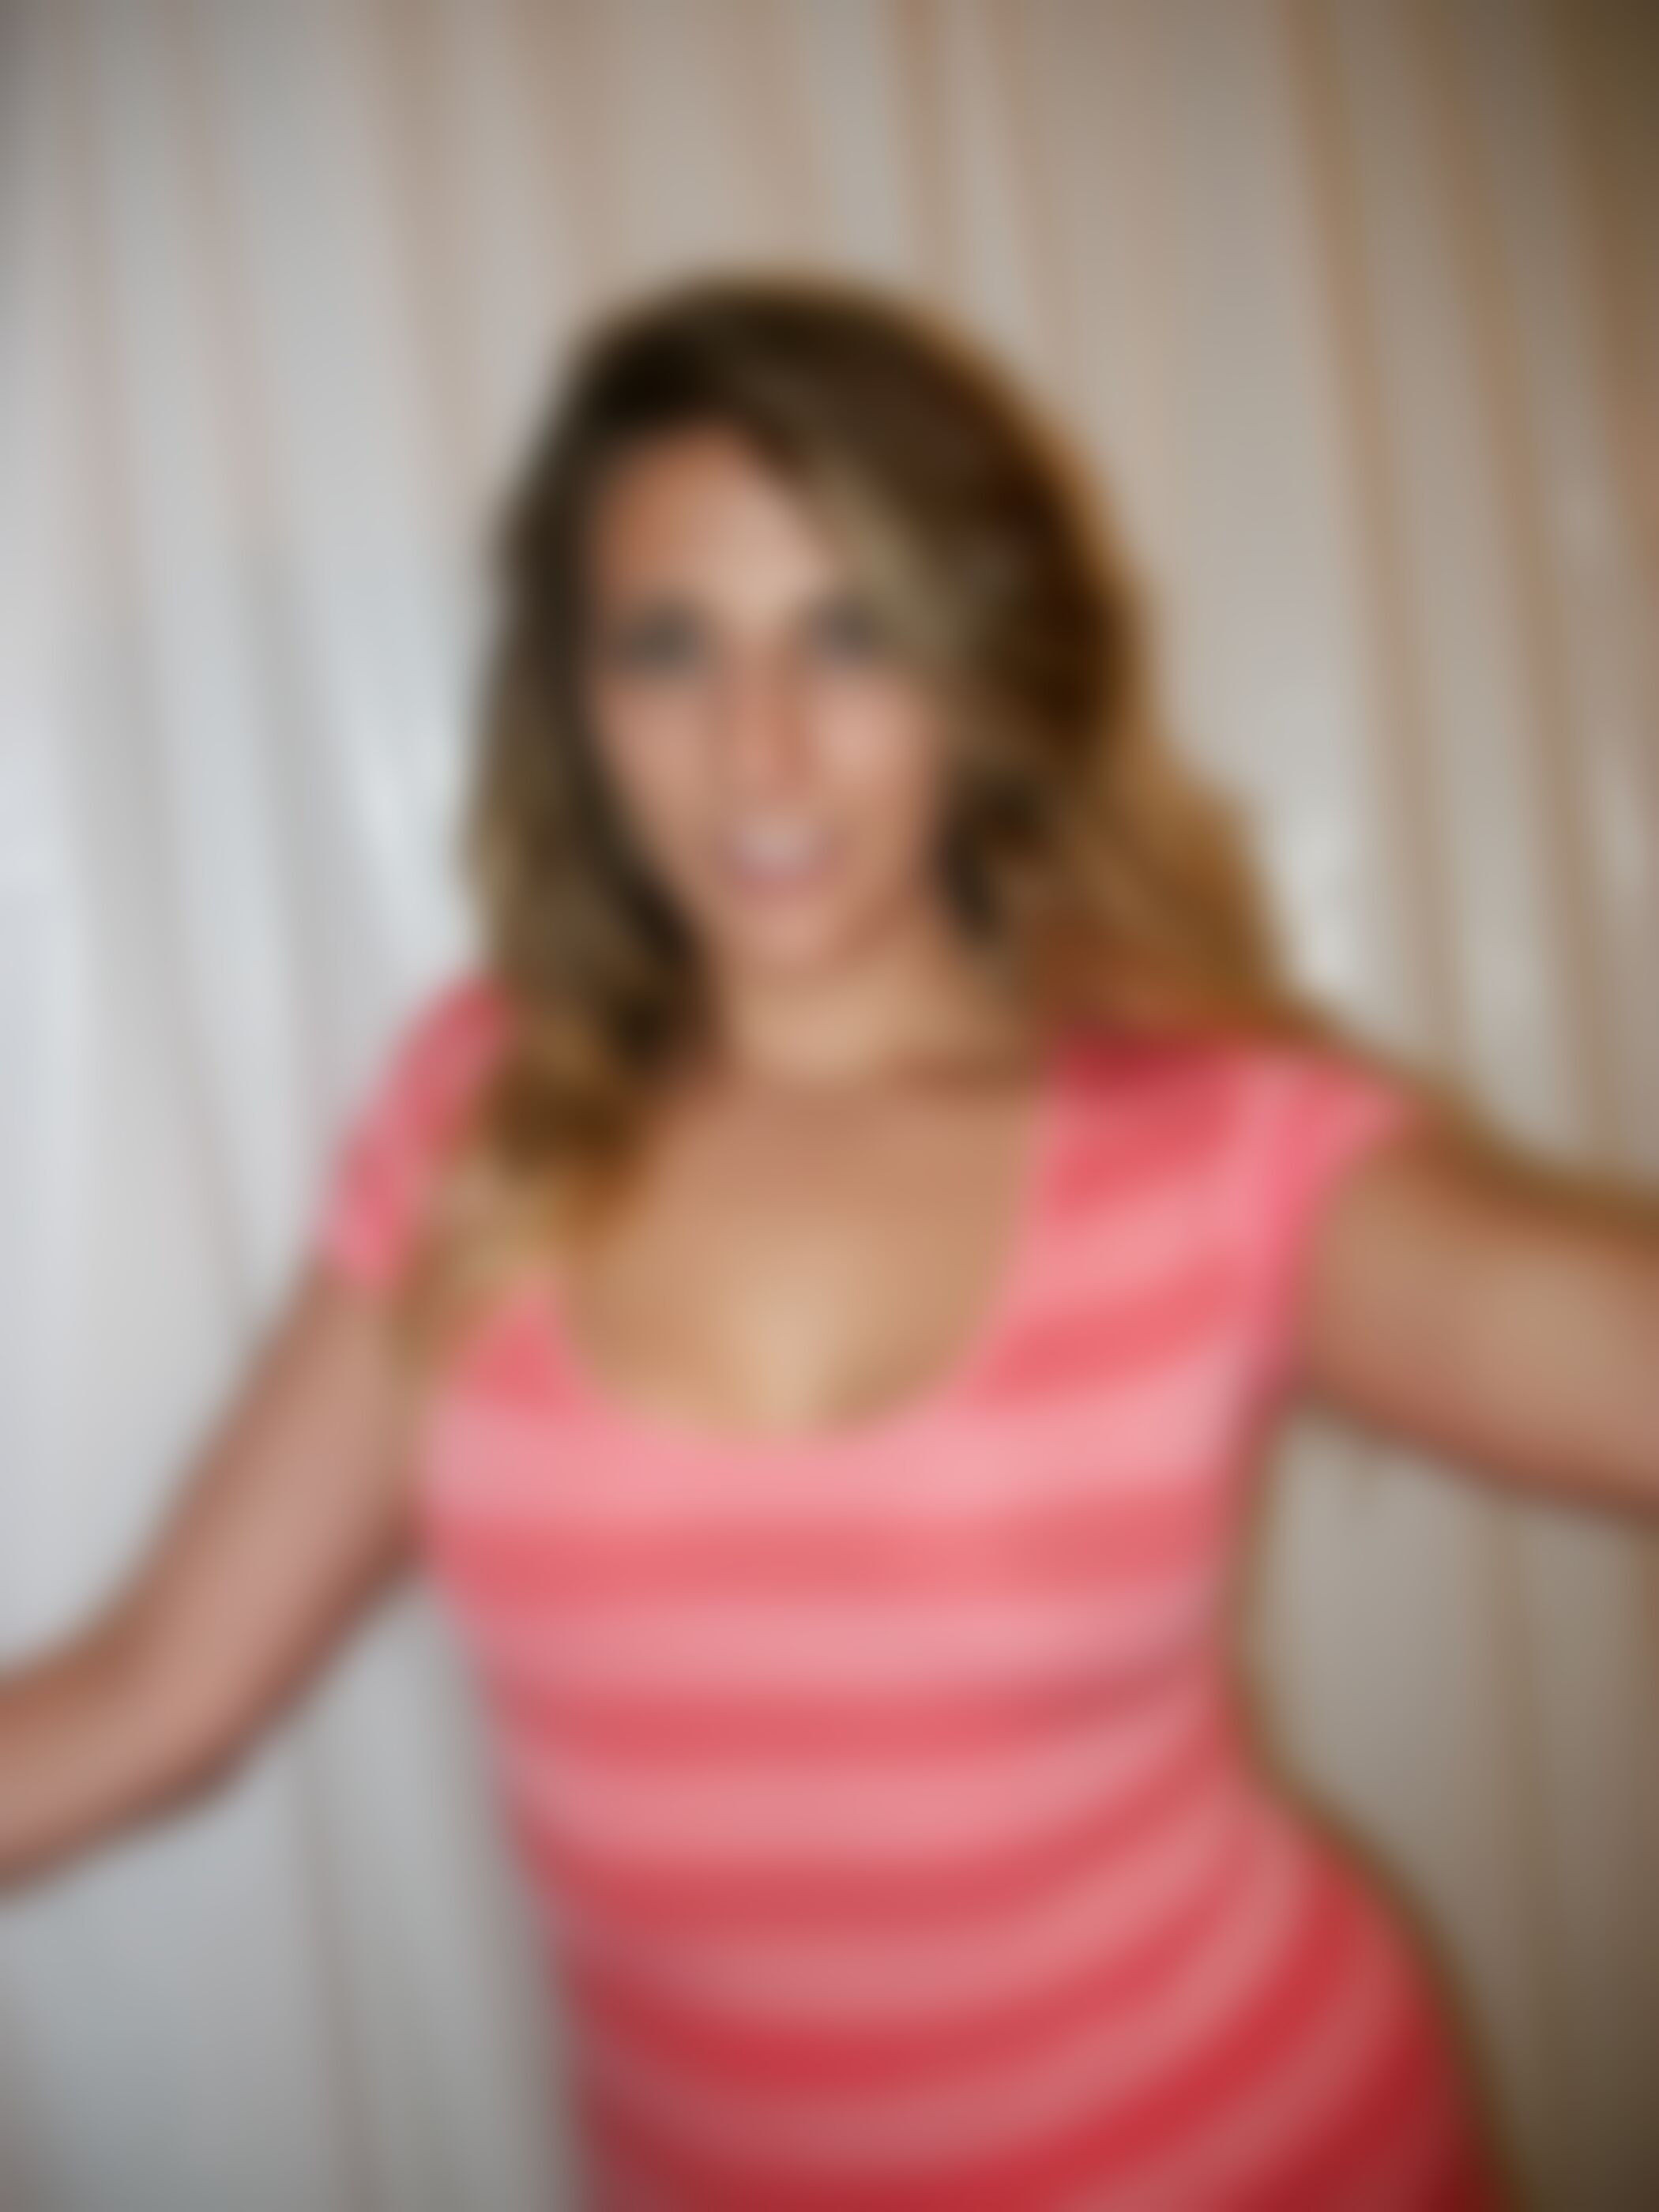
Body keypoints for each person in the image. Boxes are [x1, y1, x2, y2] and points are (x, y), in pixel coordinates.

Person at [2, 270, 1654, 2210]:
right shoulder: (483, 1118)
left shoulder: (1208, 1141)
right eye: (669, 646)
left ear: (977, 668)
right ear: (577, 701)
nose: (761, 750)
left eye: (850, 633)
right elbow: (157, 1694)